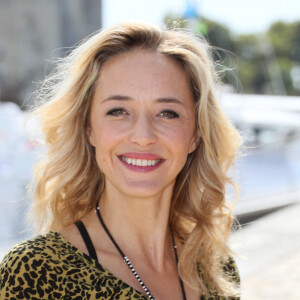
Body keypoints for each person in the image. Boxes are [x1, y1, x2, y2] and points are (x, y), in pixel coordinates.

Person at [0, 22, 241, 300]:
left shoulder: (216, 269)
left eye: (167, 113)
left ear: (196, 135)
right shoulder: (35, 273)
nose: (142, 136)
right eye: (118, 111)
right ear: (89, 128)